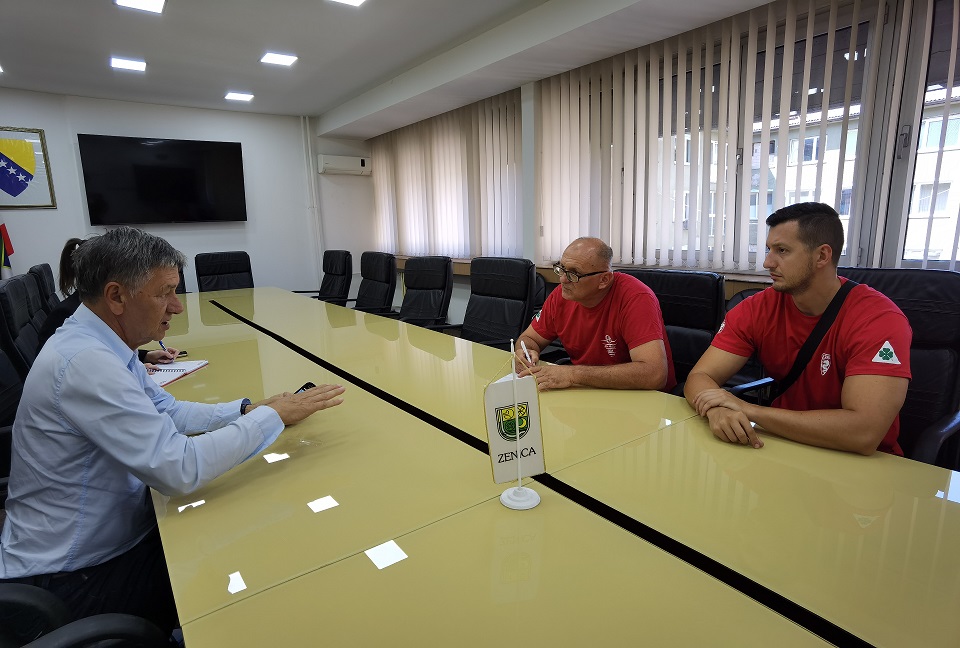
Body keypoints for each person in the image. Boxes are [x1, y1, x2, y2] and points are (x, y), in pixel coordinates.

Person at [0, 227, 346, 635]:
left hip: (106, 543)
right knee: (255, 571)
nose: (177, 306)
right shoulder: (85, 362)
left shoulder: (100, 341)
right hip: (75, 577)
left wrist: (247, 409)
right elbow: (178, 469)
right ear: (116, 296)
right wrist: (271, 417)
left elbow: (167, 409)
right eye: (165, 292)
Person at [684, 202, 911, 455]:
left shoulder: (879, 319)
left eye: (782, 250)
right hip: (781, 444)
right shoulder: (757, 308)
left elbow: (863, 434)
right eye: (769, 249)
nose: (767, 262)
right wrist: (716, 408)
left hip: (859, 462)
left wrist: (748, 409)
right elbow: (699, 377)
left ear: (822, 256)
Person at [515, 237, 676, 391]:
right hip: (588, 390)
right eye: (561, 268)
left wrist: (573, 374)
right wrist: (525, 352)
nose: (563, 279)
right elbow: (529, 338)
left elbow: (654, 375)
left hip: (643, 397)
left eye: (574, 273)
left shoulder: (636, 298)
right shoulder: (561, 296)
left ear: (604, 280)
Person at [38, 237, 178, 370]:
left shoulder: (90, 308)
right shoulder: (68, 314)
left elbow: (110, 346)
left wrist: (143, 356)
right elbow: (84, 360)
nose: (178, 308)